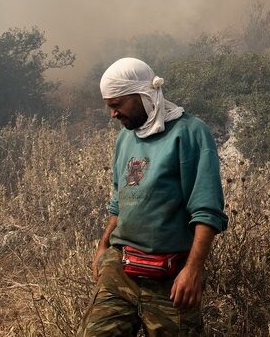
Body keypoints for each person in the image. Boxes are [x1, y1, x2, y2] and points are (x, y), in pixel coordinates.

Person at [77, 57, 228, 336]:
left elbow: (207, 210)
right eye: (109, 106)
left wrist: (193, 270)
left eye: (117, 105)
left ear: (143, 95)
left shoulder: (190, 133)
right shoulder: (126, 138)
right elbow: (119, 200)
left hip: (170, 277)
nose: (112, 114)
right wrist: (103, 246)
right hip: (120, 267)